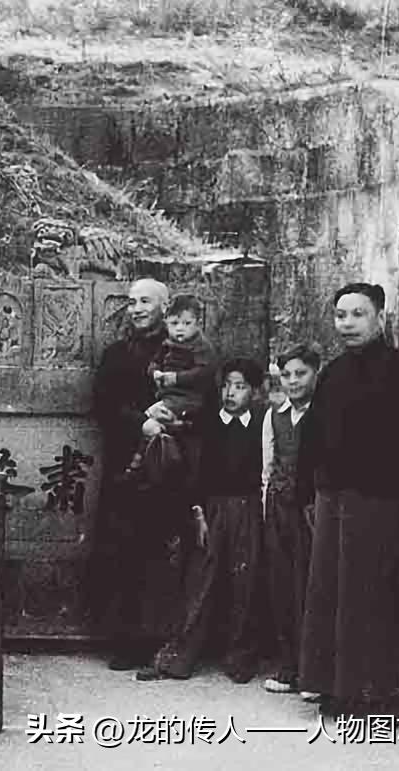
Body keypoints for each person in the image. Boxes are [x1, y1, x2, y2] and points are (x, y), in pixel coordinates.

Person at [296, 282, 399, 715]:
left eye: (358, 314)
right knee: (329, 596)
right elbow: (313, 438)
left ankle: (373, 693)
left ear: (380, 317)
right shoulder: (333, 374)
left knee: (372, 599)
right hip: (333, 503)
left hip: (382, 506)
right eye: (340, 315)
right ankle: (334, 687)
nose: (347, 323)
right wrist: (308, 493)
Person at [138, 358, 266, 683]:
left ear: (254, 391)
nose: (231, 393)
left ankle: (240, 655)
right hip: (211, 508)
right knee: (201, 580)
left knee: (245, 582)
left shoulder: (261, 423)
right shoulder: (209, 423)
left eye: (240, 387)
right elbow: (196, 472)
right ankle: (183, 654)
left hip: (248, 507)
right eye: (227, 386)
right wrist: (199, 512)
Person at [90, 277, 191, 671]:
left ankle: (161, 641)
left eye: (145, 301)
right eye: (132, 302)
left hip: (168, 465)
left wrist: (173, 421)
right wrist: (139, 424)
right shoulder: (117, 354)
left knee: (161, 553)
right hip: (125, 466)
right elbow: (102, 404)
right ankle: (124, 640)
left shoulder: (182, 353)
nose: (136, 309)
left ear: (165, 307)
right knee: (121, 551)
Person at [261, 343, 321, 695]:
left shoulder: (323, 413)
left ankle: (314, 673)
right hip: (279, 508)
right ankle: (288, 666)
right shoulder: (275, 416)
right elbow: (267, 465)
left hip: (311, 510)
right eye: (286, 375)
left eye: (301, 373)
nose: (293, 381)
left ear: (315, 373)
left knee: (310, 587)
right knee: (282, 587)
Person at [145, 293, 217, 433]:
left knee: (151, 419)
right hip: (167, 395)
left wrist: (177, 378)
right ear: (166, 323)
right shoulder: (167, 344)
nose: (180, 328)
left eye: (187, 323)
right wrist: (155, 373)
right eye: (174, 323)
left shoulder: (200, 346)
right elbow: (155, 362)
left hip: (188, 398)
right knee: (150, 423)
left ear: (198, 323)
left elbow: (204, 372)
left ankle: (172, 428)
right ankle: (163, 437)